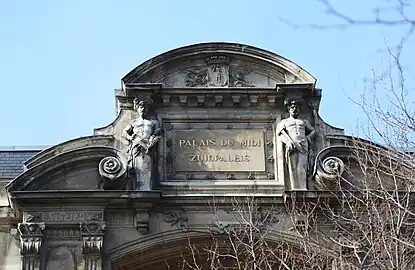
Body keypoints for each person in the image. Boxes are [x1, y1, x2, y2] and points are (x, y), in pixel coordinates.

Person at [122, 98, 162, 190]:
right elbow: (124, 133)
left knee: (148, 167)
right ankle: (140, 186)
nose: (143, 109)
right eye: (141, 107)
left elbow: (158, 133)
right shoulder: (134, 122)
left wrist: (154, 139)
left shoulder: (153, 122)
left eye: (145, 107)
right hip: (137, 144)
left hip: (148, 145)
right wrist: (130, 137)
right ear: (137, 109)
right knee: (139, 167)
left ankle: (146, 186)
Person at [276, 98, 316, 190]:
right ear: (289, 109)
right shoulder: (284, 122)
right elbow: (280, 133)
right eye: (292, 107)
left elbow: (313, 131)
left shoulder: (304, 122)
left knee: (302, 167)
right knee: (292, 167)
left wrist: (307, 138)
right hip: (292, 145)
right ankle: (295, 187)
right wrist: (288, 142)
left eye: (296, 107)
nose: (294, 109)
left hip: (303, 144)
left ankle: (302, 187)